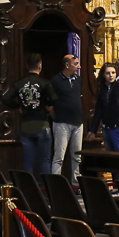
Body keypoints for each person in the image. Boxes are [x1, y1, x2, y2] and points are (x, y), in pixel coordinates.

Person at [2, 52, 56, 176]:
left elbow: (5, 98)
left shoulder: (19, 84)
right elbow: (53, 98)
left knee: (28, 161)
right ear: (40, 66)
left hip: (26, 126)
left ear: (27, 66)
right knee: (45, 160)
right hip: (42, 124)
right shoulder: (45, 83)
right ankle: (46, 189)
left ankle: (29, 189)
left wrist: (18, 105)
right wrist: (48, 106)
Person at [49, 53, 84, 182]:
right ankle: (56, 184)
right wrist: (56, 118)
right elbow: (50, 103)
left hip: (78, 122)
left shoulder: (78, 80)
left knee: (77, 157)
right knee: (59, 156)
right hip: (61, 123)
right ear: (67, 65)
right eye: (76, 64)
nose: (78, 67)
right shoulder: (56, 80)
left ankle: (76, 182)